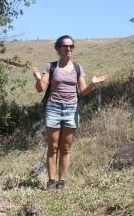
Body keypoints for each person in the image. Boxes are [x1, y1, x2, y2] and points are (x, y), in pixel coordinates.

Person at [32, 35, 108, 191]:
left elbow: (83, 91)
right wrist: (38, 79)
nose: (68, 49)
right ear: (58, 48)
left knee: (66, 148)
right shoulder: (51, 67)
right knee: (53, 147)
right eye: (65, 46)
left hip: (71, 109)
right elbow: (40, 89)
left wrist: (93, 84)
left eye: (71, 46)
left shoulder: (78, 68)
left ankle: (62, 182)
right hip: (53, 108)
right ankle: (51, 182)